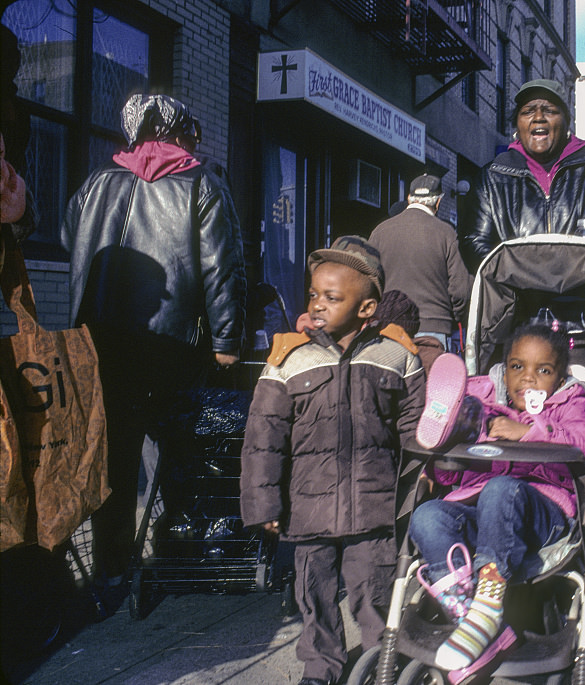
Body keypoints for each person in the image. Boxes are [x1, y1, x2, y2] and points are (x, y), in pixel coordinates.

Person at [60, 94, 246, 599]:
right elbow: (221, 268)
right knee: (181, 446)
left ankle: (112, 568)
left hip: (101, 341)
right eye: (191, 131)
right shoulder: (201, 183)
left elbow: (67, 236)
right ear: (179, 132)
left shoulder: (98, 181)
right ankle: (175, 550)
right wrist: (228, 340)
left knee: (114, 454)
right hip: (173, 345)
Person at [240, 237, 425, 685]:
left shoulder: (397, 356)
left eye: (332, 297)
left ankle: (385, 661)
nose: (318, 304)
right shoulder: (289, 358)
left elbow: (416, 431)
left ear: (366, 308)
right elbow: (263, 438)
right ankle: (321, 668)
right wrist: (263, 505)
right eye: (314, 295)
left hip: (373, 507)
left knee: (374, 593)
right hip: (309, 507)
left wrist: (417, 494)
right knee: (314, 595)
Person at [409, 324, 585, 676]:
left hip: (543, 513)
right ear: (503, 369)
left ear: (559, 379)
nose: (527, 378)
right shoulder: (485, 407)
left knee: (501, 488)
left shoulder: (567, 403)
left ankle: (485, 607)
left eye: (542, 371)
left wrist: (530, 431)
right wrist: (447, 458)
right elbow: (453, 479)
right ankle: (469, 612)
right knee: (427, 515)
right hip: (483, 508)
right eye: (517, 367)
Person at [461, 78, 585, 276]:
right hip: (517, 301)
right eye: (528, 111)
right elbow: (474, 242)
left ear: (567, 121)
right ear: (517, 125)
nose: (538, 117)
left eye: (550, 110)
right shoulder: (492, 177)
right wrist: (520, 276)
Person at [369, 173, 472, 351]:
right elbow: (461, 290)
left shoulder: (380, 231)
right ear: (438, 202)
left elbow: (369, 281)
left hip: (388, 327)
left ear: (409, 199)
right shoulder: (446, 233)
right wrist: (454, 316)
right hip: (433, 328)